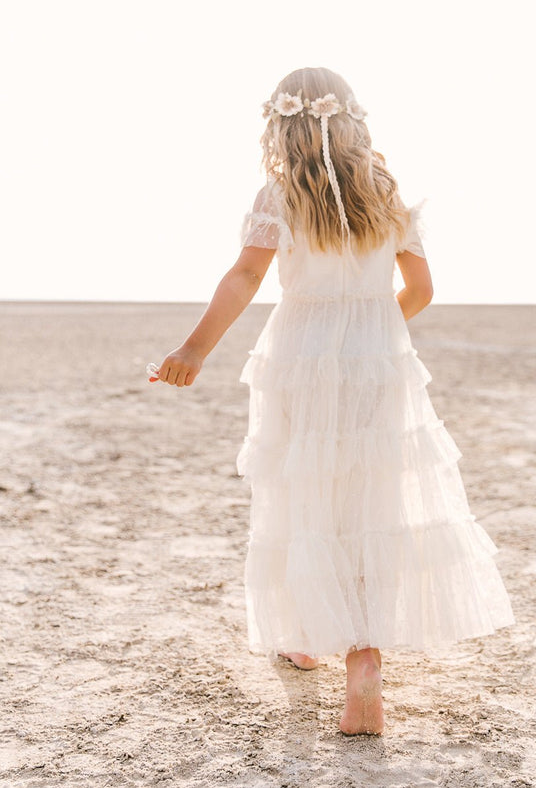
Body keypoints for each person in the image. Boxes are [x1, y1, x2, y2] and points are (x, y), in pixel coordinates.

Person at [150, 67, 515, 736]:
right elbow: (423, 287)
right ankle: (363, 663)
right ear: (352, 120)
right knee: (369, 505)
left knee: (306, 498)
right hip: (378, 362)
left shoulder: (280, 195)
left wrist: (194, 349)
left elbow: (245, 277)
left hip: (299, 358)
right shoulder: (383, 193)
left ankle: (307, 633)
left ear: (282, 125)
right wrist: (375, 335)